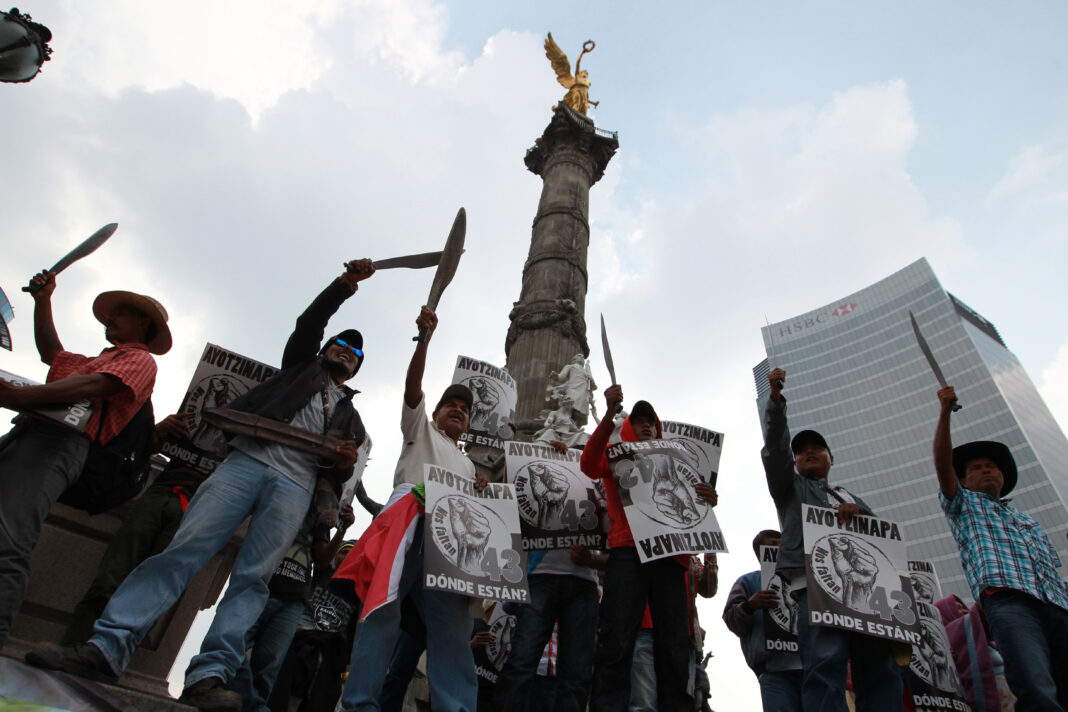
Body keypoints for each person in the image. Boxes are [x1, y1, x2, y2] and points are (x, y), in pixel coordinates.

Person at [27, 260, 374, 712]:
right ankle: (108, 647)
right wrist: (345, 284)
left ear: (358, 369)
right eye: (341, 343)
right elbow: (309, 322)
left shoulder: (352, 419)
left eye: (355, 352)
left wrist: (344, 463)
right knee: (183, 551)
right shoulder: (299, 368)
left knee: (253, 580)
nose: (347, 350)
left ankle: (209, 676)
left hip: (296, 485)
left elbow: (339, 473)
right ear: (325, 348)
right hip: (246, 464)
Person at [0, 270, 169, 648]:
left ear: (143, 323)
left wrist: (19, 396)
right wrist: (44, 301)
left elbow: (97, 385)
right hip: (29, 435)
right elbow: (52, 355)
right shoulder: (98, 359)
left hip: (59, 444)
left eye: (120, 313)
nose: (111, 319)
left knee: (9, 541)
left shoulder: (140, 360)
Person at [334, 305, 484, 712]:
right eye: (451, 405)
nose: (459, 410)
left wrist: (479, 491)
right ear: (435, 413)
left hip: (448, 539)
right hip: (407, 521)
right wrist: (424, 342)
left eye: (465, 409)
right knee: (382, 611)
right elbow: (413, 385)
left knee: (453, 629)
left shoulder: (469, 465)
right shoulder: (420, 429)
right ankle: (360, 704)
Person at [761, 367, 902, 712]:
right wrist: (776, 403)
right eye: (801, 451)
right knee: (825, 665)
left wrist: (860, 515)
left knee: (880, 670)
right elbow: (775, 451)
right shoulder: (789, 487)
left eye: (817, 448)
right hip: (815, 587)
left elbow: (882, 545)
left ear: (831, 458)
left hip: (870, 597)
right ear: (794, 461)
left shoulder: (848, 496)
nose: (808, 453)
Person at [579, 384, 718, 712]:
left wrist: (708, 499)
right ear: (629, 426)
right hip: (629, 552)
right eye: (640, 421)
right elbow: (588, 464)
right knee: (616, 639)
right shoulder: (617, 456)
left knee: (674, 646)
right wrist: (608, 417)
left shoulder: (679, 462)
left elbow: (693, 509)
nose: (646, 426)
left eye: (651, 422)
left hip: (671, 558)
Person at [933, 384, 1068, 710]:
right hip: (1009, 602)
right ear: (963, 481)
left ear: (1003, 477)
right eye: (976, 468)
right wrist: (945, 413)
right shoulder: (964, 506)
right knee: (1035, 687)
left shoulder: (1028, 521)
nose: (985, 470)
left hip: (1057, 605)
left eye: (991, 467)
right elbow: (943, 466)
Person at [231, 498, 355, 712]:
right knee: (240, 653)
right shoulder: (324, 574)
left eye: (352, 554)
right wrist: (342, 529)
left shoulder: (358, 593)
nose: (346, 557)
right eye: (343, 552)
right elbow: (322, 559)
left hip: (325, 658)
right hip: (296, 640)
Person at [723, 529, 802, 711]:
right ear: (759, 553)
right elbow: (731, 621)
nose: (779, 549)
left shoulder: (803, 579)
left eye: (782, 544)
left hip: (810, 664)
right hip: (773, 671)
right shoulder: (748, 582)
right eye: (773, 545)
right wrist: (749, 606)